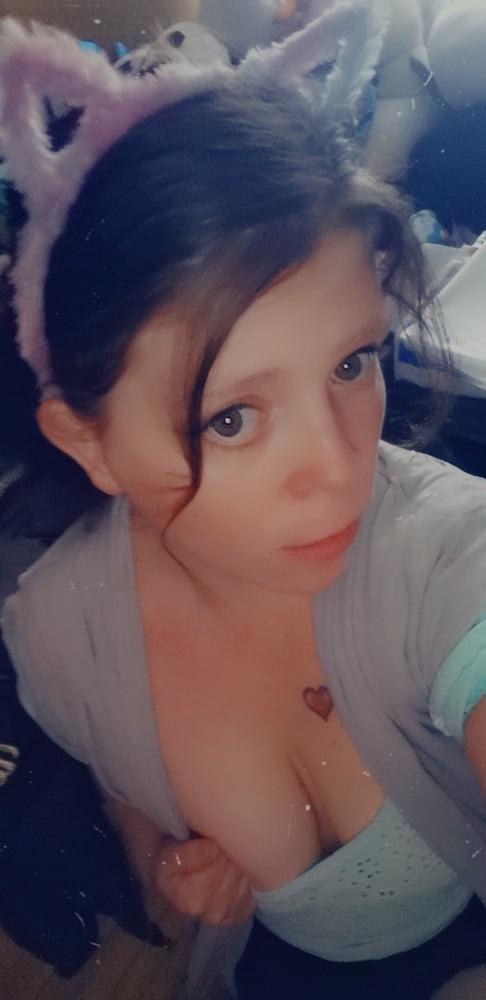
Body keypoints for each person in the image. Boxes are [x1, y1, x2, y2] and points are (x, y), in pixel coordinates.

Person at [0, 8, 485, 999]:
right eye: (231, 418)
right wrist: (168, 862)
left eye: (352, 362)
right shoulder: (56, 633)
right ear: (88, 443)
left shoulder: (437, 545)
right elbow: (129, 796)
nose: (341, 468)